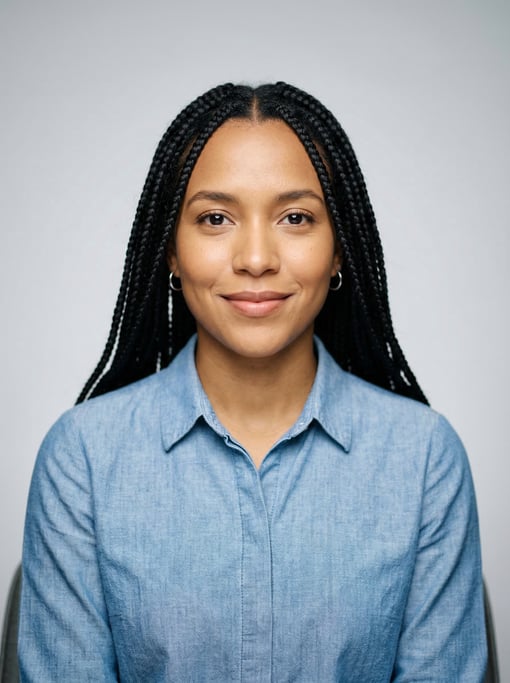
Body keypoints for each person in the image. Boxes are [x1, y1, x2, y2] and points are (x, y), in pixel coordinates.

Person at [18, 83, 487, 681]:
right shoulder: (81, 458)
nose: (257, 257)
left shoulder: (425, 459)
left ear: (339, 246)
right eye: (216, 218)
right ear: (171, 248)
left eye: (296, 217)